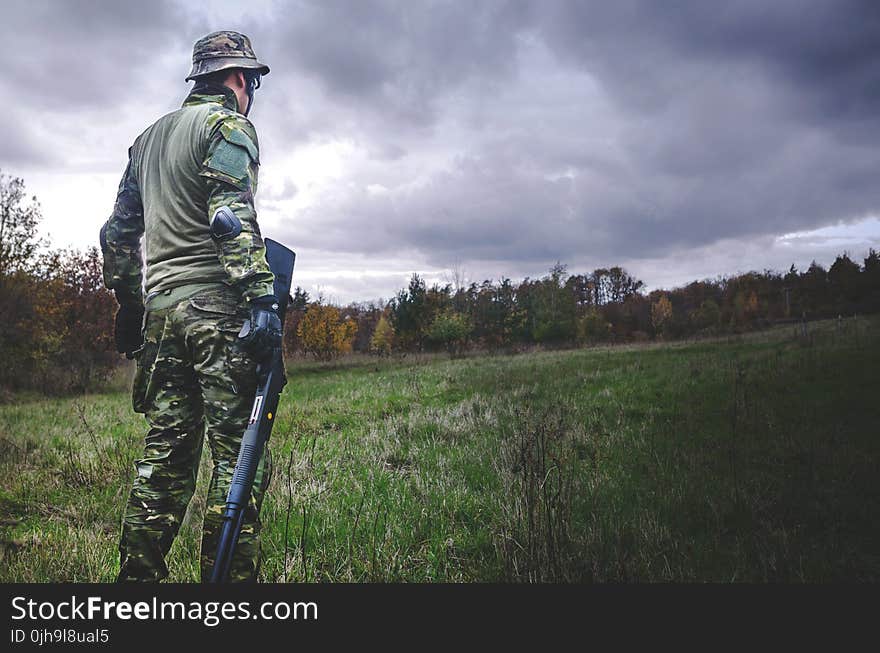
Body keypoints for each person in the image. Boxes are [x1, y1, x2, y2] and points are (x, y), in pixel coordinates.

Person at [100, 30, 281, 582]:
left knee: (164, 462)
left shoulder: (148, 139)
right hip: (218, 314)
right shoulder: (228, 127)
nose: (251, 92)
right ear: (238, 78)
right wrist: (261, 298)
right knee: (237, 460)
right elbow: (230, 216)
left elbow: (116, 235)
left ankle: (134, 593)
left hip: (162, 313)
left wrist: (132, 306)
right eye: (250, 82)